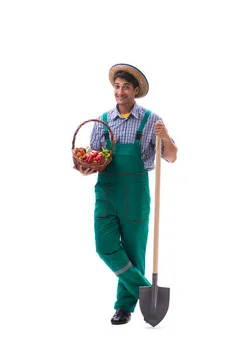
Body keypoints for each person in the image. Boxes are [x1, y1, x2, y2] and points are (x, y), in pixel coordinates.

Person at [75, 63, 178, 325]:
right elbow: (96, 157)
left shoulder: (151, 120)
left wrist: (165, 135)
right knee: (105, 247)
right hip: (107, 191)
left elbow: (172, 156)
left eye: (125, 87)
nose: (120, 92)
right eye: (117, 87)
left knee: (133, 251)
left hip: (136, 193)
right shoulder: (102, 121)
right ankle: (143, 289)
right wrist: (87, 166)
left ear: (135, 91)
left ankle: (124, 307)